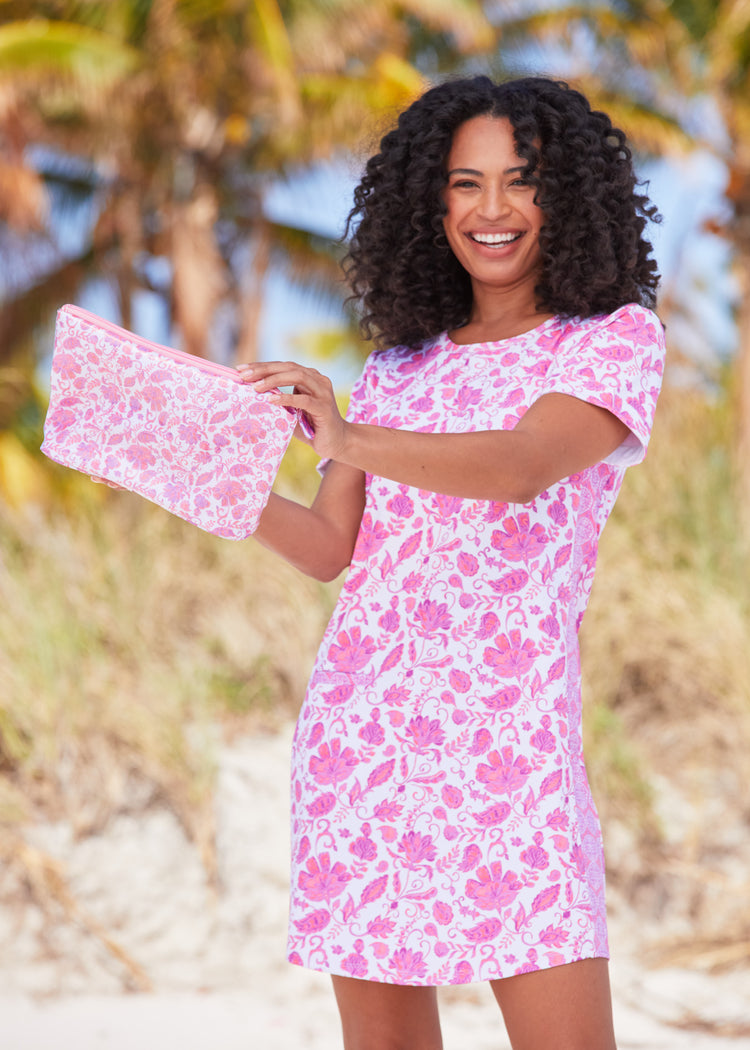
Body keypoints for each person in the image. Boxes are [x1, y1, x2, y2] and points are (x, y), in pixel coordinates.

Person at [238, 75, 665, 1050]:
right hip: (365, 746)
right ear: (431, 204)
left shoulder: (609, 343)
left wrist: (343, 436)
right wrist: (214, 484)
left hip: (510, 756)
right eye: (465, 184)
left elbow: (517, 467)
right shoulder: (400, 366)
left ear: (572, 196)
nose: (493, 210)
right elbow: (329, 549)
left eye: (523, 181)